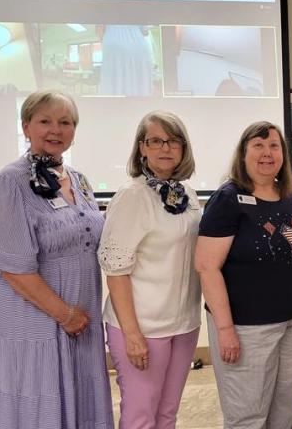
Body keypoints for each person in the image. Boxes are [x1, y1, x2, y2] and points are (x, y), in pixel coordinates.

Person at [0, 90, 113, 428]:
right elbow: (13, 267)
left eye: (65, 122)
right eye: (45, 121)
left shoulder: (80, 181)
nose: (56, 130)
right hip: (33, 321)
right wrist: (65, 315)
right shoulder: (12, 180)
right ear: (26, 126)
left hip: (81, 319)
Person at [195, 121, 292, 428]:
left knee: (283, 410)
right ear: (244, 153)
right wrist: (225, 330)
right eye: (258, 146)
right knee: (248, 416)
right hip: (246, 327)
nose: (267, 153)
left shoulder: (286, 195)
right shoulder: (228, 198)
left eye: (274, 146)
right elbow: (207, 266)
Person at [98, 111, 201, 428]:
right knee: (141, 415)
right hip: (142, 327)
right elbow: (116, 271)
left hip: (183, 324)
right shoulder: (132, 196)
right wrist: (132, 335)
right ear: (141, 148)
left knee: (167, 413)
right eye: (155, 141)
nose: (165, 148)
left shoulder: (188, 195)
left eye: (173, 141)